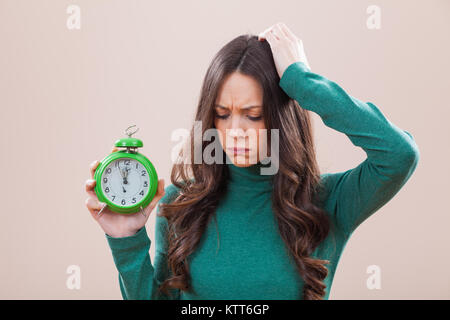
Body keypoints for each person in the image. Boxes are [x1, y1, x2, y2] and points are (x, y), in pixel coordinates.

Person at [84, 22, 419, 300]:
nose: (236, 131)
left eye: (253, 115)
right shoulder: (179, 203)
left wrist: (302, 81)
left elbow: (399, 154)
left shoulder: (328, 200)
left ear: (280, 117)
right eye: (222, 114)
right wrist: (126, 240)